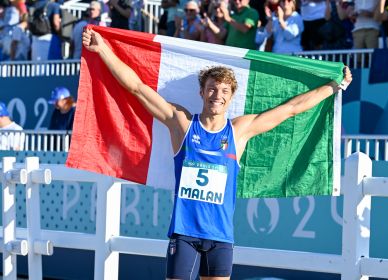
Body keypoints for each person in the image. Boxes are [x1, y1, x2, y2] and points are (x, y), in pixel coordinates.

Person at [82, 27, 352, 279]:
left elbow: (291, 109)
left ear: (231, 97)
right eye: (212, 88)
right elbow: (138, 88)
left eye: (224, 90)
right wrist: (103, 49)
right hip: (184, 235)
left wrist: (333, 86)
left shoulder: (239, 131)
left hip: (221, 238)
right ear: (201, 91)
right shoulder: (182, 123)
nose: (217, 94)